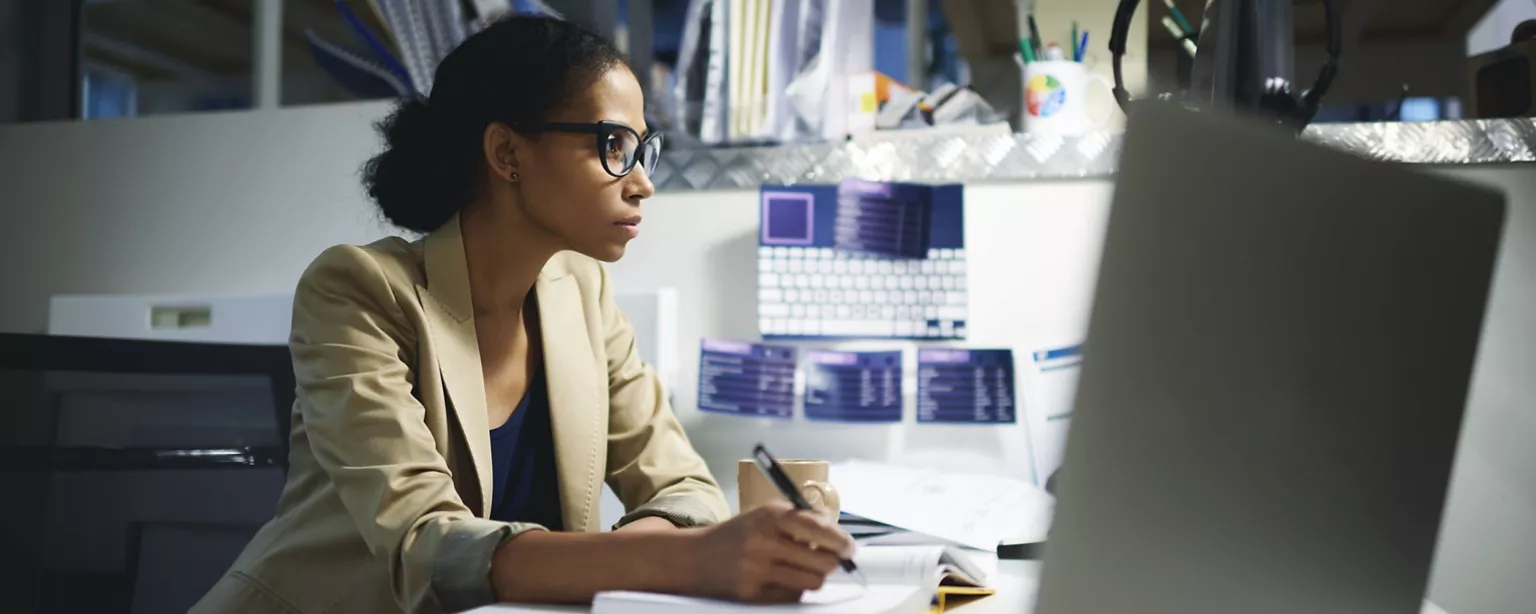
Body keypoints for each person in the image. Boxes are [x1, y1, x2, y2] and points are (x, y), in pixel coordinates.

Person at [192, 16, 853, 614]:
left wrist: (669, 554)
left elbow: (682, 482)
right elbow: (427, 544)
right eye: (614, 144)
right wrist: (684, 558)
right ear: (507, 154)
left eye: (643, 150)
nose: (642, 181)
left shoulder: (582, 290)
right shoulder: (358, 290)